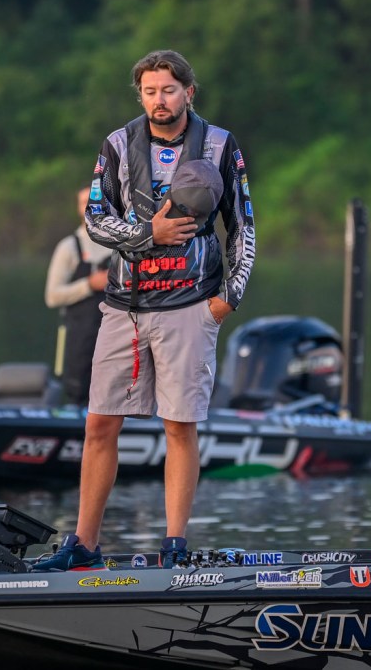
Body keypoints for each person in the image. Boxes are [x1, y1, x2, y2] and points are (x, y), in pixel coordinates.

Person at [34, 50, 255, 571]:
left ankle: (175, 545)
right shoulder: (117, 143)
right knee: (98, 425)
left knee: (179, 426)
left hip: (191, 304)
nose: (160, 100)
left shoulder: (220, 144)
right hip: (125, 306)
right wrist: (146, 232)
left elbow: (243, 226)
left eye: (169, 90)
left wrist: (228, 299)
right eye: (151, 91)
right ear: (141, 95)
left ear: (188, 93)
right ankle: (84, 546)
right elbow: (95, 218)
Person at [44, 186, 113, 406]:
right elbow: (52, 297)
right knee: (78, 394)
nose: (90, 207)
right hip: (79, 339)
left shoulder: (122, 245)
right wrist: (89, 285)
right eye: (84, 202)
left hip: (115, 337)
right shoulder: (69, 247)